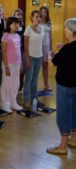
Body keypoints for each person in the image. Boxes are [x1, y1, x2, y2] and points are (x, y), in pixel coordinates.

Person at [47, 18, 76, 155]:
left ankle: (63, 146)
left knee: (64, 113)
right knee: (75, 111)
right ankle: (74, 139)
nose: (64, 30)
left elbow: (52, 63)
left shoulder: (67, 49)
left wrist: (50, 54)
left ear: (71, 31)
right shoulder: (67, 48)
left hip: (65, 86)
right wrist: (62, 49)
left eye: (65, 28)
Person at [0, 17, 23, 112]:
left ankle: (13, 102)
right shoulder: (5, 36)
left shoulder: (17, 36)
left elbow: (19, 51)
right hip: (8, 63)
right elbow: (3, 53)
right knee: (6, 84)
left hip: (17, 63)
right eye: (14, 24)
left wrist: (20, 64)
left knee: (15, 84)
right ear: (9, 25)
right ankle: (4, 104)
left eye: (17, 23)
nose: (16, 25)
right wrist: (6, 66)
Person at [23, 10, 45, 109]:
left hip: (39, 56)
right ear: (31, 17)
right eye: (36, 17)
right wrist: (27, 59)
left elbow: (42, 44)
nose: (38, 19)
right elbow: (25, 46)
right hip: (30, 57)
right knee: (29, 79)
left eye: (40, 17)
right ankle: (26, 100)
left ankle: (34, 98)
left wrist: (44, 55)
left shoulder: (42, 28)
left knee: (35, 79)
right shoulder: (28, 29)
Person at [13, 8, 26, 92]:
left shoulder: (24, 27)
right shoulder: (12, 27)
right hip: (13, 51)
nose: (20, 16)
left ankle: (20, 85)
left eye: (21, 14)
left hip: (21, 50)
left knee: (22, 68)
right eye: (18, 14)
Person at [40, 6, 52, 91]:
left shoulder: (48, 22)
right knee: (37, 66)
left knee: (45, 65)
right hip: (39, 45)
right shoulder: (38, 21)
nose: (44, 13)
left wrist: (50, 47)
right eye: (42, 11)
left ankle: (46, 84)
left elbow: (50, 36)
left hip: (46, 45)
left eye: (45, 12)